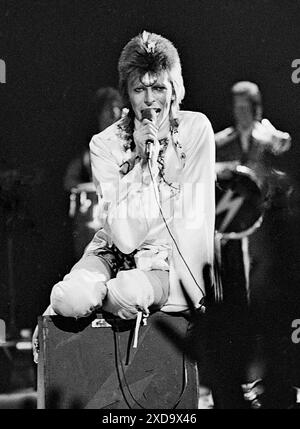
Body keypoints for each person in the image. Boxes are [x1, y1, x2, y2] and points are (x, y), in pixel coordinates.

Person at [33, 31, 215, 378]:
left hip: (164, 259)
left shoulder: (196, 130)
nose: (149, 100)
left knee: (129, 290)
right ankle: (91, 300)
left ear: (175, 88)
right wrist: (142, 168)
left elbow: (198, 217)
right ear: (127, 95)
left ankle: (102, 297)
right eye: (139, 89)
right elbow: (125, 237)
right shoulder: (105, 144)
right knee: (67, 300)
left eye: (158, 87)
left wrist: (191, 294)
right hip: (114, 250)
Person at [214, 81, 292, 408]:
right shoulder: (222, 141)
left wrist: (271, 138)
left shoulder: (268, 137)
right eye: (236, 107)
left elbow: (286, 151)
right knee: (235, 303)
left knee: (262, 302)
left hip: (263, 236)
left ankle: (262, 378)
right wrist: (227, 168)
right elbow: (204, 168)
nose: (240, 112)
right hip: (230, 235)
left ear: (256, 108)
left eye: (246, 107)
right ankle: (238, 378)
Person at [63, 87, 123, 191]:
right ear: (98, 112)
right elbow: (69, 181)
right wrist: (91, 188)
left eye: (117, 107)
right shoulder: (86, 145)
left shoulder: (126, 142)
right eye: (109, 107)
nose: (114, 112)